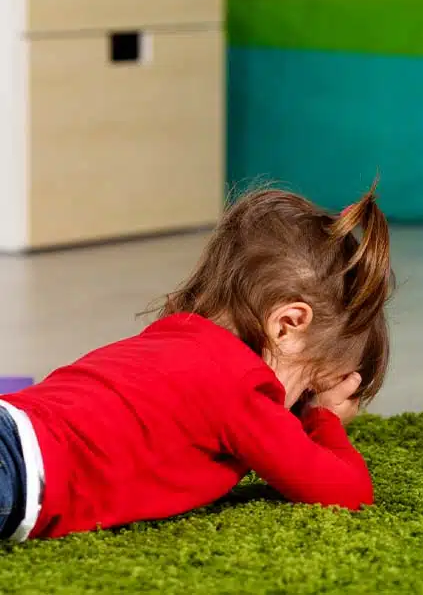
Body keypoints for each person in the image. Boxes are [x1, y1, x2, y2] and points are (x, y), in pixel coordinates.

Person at [0, 184, 393, 541]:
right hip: (16, 471)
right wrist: (323, 419)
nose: (291, 412)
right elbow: (348, 493)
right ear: (287, 325)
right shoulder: (242, 388)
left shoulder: (171, 337)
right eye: (307, 389)